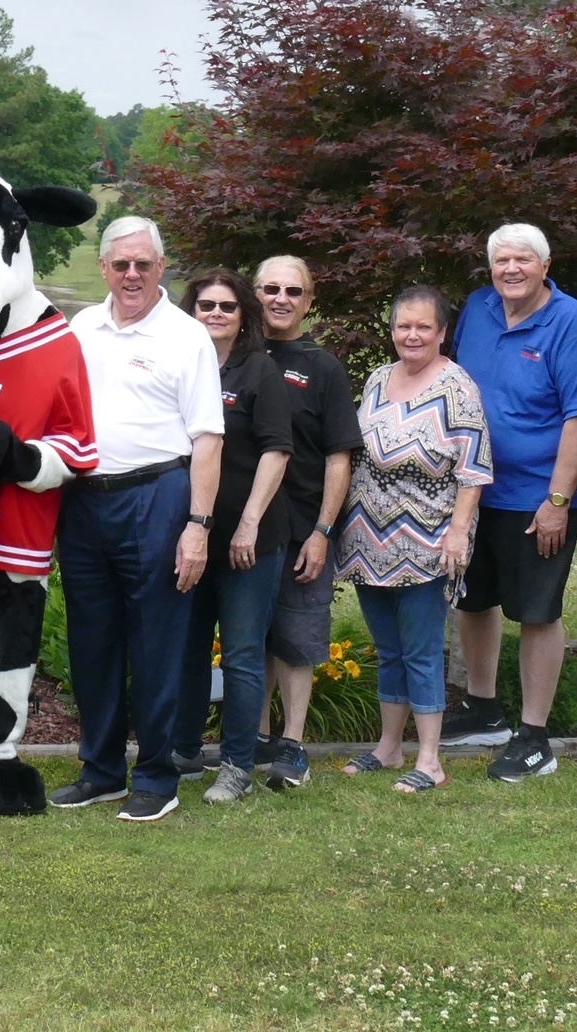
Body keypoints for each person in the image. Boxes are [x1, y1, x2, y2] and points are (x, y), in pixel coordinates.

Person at [50, 216, 226, 822]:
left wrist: (197, 525)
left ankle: (156, 775)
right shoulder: (81, 329)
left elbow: (208, 439)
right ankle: (100, 771)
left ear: (161, 270)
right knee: (92, 641)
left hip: (158, 496)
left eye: (143, 265)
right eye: (121, 264)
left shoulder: (186, 336)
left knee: (157, 642)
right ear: (103, 268)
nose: (132, 275)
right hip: (85, 501)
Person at [446, 223, 577, 782]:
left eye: (523, 260)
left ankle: (536, 738)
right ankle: (482, 709)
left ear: (545, 265)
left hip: (538, 496)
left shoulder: (571, 324)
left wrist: (557, 500)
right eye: (501, 260)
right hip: (474, 489)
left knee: (538, 612)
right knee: (473, 599)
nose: (511, 270)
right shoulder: (478, 308)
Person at [335, 286, 492, 793]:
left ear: (442, 332)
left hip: (427, 540)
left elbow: (473, 471)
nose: (412, 335)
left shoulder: (458, 387)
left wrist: (458, 534)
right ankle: (388, 746)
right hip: (366, 539)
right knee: (389, 648)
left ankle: (430, 759)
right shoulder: (380, 379)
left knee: (422, 650)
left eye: (424, 326)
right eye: (404, 325)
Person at [174, 269, 292, 803]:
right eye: (205, 305)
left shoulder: (259, 370)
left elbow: (276, 450)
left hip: (250, 541)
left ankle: (238, 766)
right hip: (188, 537)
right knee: (188, 649)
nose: (215, 314)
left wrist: (247, 522)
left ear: (244, 315)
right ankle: (184, 752)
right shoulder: (180, 365)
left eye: (226, 306)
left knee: (242, 655)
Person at [253, 255, 362, 790]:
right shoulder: (233, 355)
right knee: (252, 639)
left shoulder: (323, 368)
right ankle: (252, 740)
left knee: (297, 640)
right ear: (254, 293)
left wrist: (323, 531)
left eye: (293, 291)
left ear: (309, 300)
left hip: (301, 529)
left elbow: (340, 456)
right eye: (270, 288)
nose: (281, 299)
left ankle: (291, 745)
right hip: (244, 529)